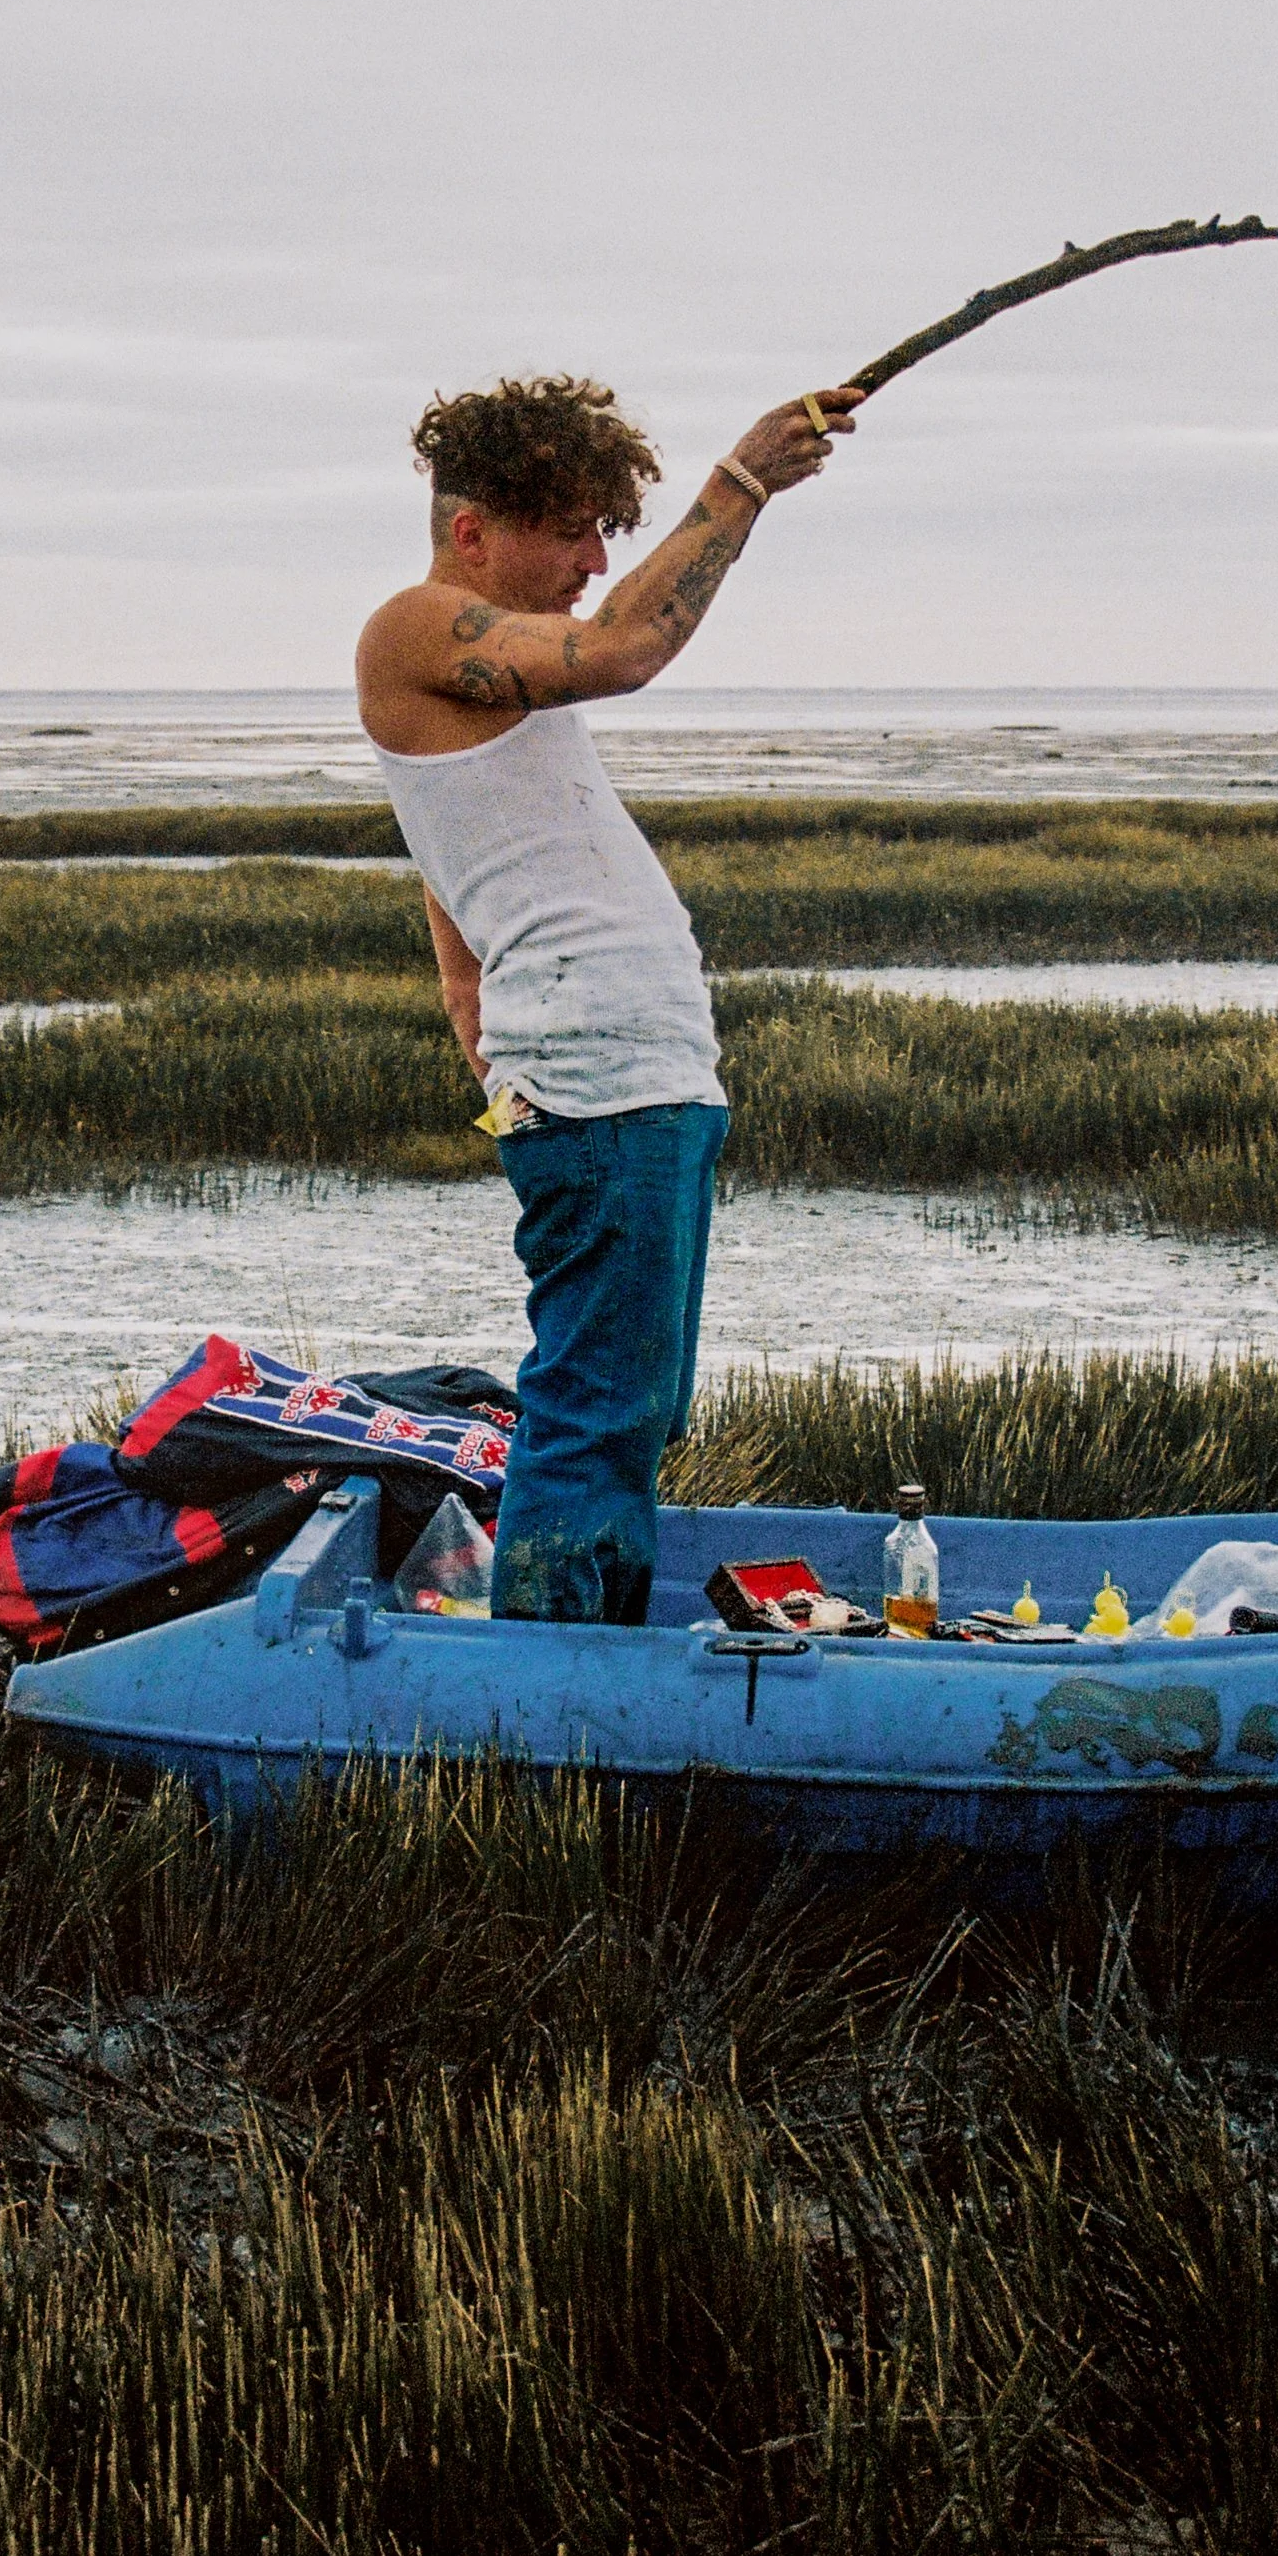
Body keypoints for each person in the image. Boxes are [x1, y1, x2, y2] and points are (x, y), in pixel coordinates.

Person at [355, 370, 859, 1622]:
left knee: (632, 1402)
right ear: (473, 531)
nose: (592, 558)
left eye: (603, 531)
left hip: (631, 1074)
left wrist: (466, 1000)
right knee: (596, 1405)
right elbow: (631, 648)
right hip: (599, 1083)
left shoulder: (484, 679)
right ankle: (552, 1694)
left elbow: (452, 842)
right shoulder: (419, 627)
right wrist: (743, 483)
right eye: (570, 527)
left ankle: (588, 1652)